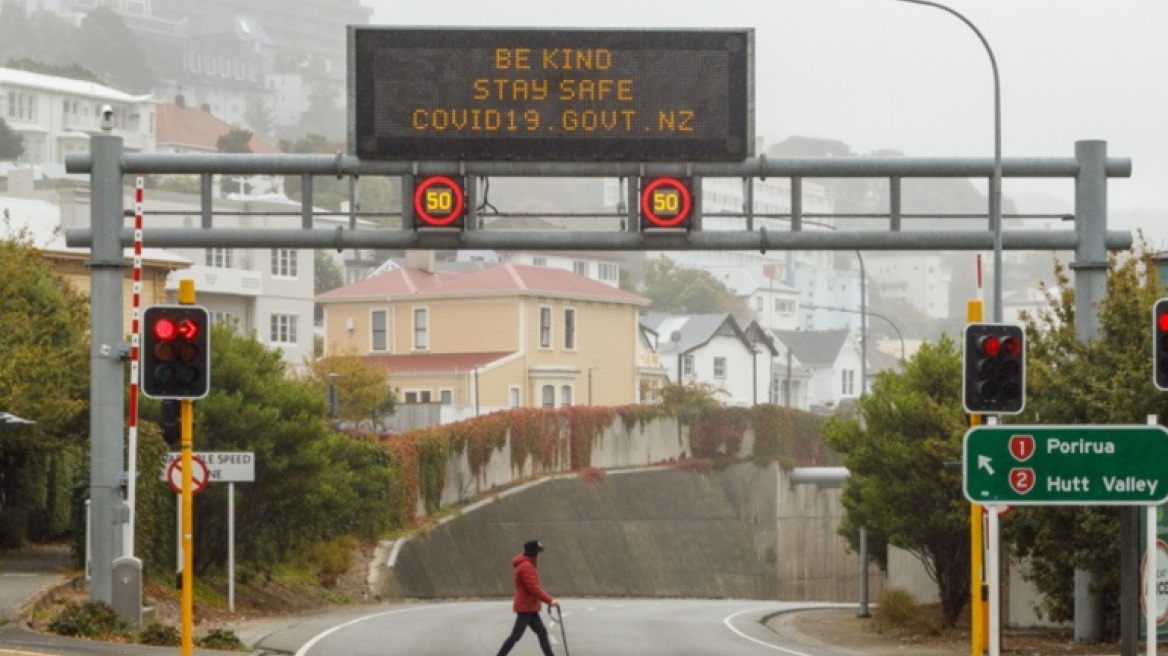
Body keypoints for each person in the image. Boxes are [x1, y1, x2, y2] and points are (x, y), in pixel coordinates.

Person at [494, 539, 559, 656]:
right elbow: (534, 588)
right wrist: (550, 600)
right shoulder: (526, 567)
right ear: (533, 552)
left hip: (530, 607)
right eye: (538, 552)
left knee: (542, 632)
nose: (540, 555)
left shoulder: (527, 564)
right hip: (526, 608)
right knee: (515, 636)